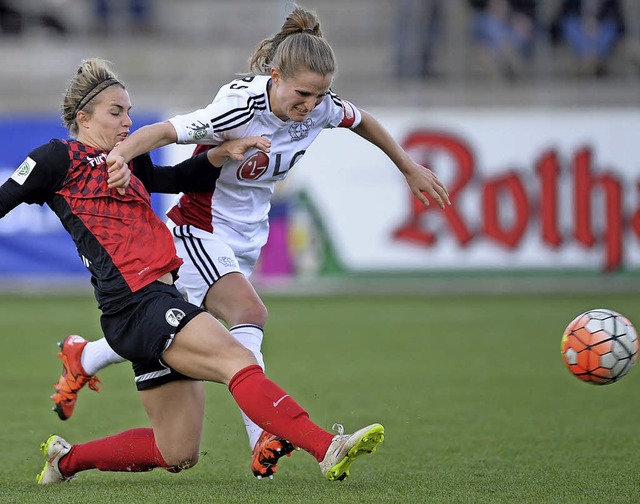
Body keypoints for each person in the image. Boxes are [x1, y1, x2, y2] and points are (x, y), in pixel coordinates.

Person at [51, 3, 450, 479]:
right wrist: (117, 158)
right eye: (301, 94)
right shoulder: (240, 106)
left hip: (243, 241)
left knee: (169, 345)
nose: (310, 106)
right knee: (248, 314)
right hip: (197, 232)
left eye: (318, 96)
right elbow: (163, 131)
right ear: (275, 75)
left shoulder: (319, 105)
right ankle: (262, 435)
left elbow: (361, 119)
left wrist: (406, 165)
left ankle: (85, 355)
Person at [0, 56, 385, 485]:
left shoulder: (125, 160)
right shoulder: (57, 158)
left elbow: (177, 177)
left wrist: (221, 153)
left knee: (178, 451)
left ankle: (64, 462)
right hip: (136, 303)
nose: (127, 121)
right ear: (83, 117)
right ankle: (325, 447)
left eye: (129, 111)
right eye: (116, 112)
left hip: (155, 303)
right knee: (237, 360)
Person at [549, 0, 625, 77]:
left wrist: (596, 23)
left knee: (609, 29)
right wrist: (584, 24)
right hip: (578, 25)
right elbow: (564, 13)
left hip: (602, 26)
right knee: (571, 26)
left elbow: (616, 16)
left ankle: (590, 62)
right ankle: (590, 61)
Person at [467, 0, 537, 80]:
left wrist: (520, 15)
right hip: (486, 18)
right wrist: (490, 5)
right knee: (488, 28)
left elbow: (529, 5)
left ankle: (505, 58)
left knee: (519, 32)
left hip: (512, 20)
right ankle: (504, 61)